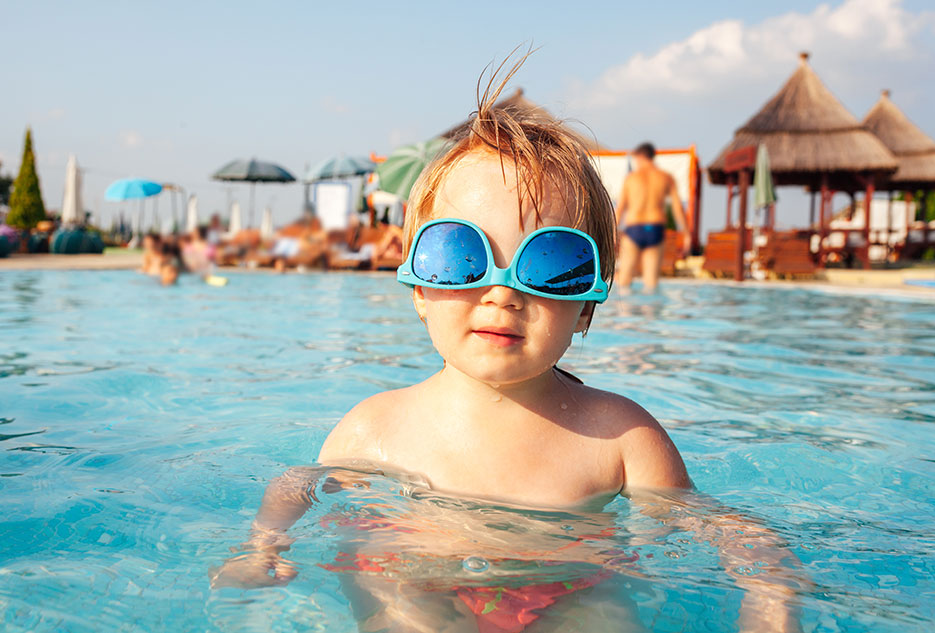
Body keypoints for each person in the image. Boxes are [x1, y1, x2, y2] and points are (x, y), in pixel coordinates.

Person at [211, 58, 803, 632]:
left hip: (570, 591)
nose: (502, 291)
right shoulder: (377, 427)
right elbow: (297, 483)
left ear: (586, 304)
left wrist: (770, 585)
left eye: (549, 264)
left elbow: (717, 526)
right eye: (460, 256)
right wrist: (264, 546)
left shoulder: (621, 436)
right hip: (419, 579)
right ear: (418, 285)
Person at [614, 143, 691, 293]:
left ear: (641, 157)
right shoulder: (665, 177)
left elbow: (621, 208)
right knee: (651, 284)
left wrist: (612, 232)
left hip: (634, 229)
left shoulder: (631, 179)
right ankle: (649, 314)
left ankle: (625, 314)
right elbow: (677, 208)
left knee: (624, 280)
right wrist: (686, 234)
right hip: (655, 230)